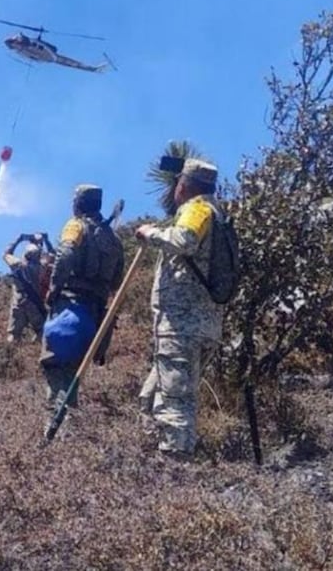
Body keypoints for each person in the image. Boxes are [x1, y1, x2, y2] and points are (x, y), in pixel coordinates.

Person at [135, 158, 225, 459]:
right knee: (151, 398)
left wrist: (151, 233)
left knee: (175, 405)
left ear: (183, 186)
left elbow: (184, 239)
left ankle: (175, 470)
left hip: (182, 326)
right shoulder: (218, 214)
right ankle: (151, 465)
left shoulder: (198, 208)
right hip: (202, 325)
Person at [40, 184, 124, 408]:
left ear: (77, 204)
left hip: (70, 309)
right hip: (96, 316)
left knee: (57, 370)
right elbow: (117, 280)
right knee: (75, 371)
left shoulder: (75, 226)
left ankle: (58, 423)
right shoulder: (114, 239)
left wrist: (53, 289)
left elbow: (65, 255)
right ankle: (71, 418)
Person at [2, 232, 53, 344]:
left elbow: (6, 254)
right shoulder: (42, 266)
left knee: (13, 336)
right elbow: (52, 255)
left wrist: (19, 239)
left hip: (18, 304)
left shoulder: (17, 264)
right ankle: (35, 348)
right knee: (42, 332)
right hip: (34, 304)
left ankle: (9, 353)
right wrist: (46, 240)